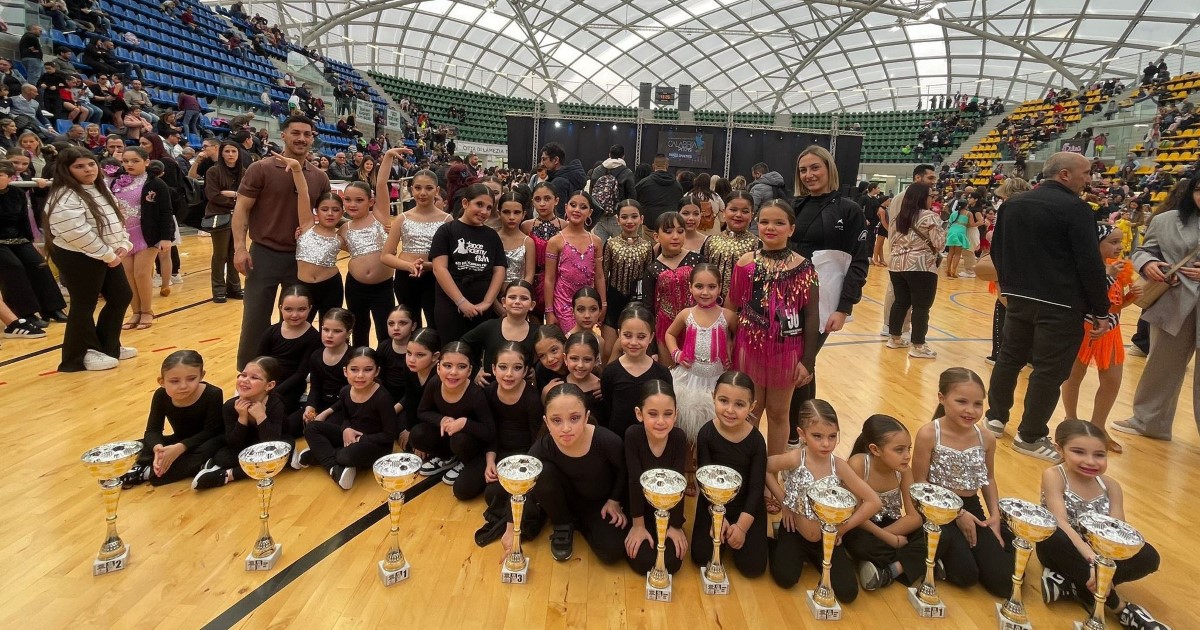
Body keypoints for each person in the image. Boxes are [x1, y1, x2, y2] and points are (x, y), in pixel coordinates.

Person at [986, 153, 1113, 461]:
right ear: (1065, 174)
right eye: (1085, 173)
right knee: (1049, 370)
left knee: (1009, 358)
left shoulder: (1012, 205)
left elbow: (997, 250)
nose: (1089, 179)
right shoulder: (1077, 209)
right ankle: (1030, 436)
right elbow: (1089, 263)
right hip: (1061, 303)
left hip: (1019, 298)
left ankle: (995, 418)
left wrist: (1009, 286)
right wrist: (1101, 308)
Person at [1036, 421, 1168, 629]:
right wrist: (1093, 560)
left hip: (1100, 555)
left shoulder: (1112, 486)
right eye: (1079, 452)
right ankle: (1121, 609)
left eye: (1099, 455)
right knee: (1052, 534)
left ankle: (1074, 584)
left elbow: (1118, 532)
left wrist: (1103, 566)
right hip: (1065, 548)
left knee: (1149, 556)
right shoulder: (1054, 475)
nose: (1090, 461)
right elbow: (1060, 522)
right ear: (1059, 449)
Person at [233, 115, 331, 370]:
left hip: (302, 259)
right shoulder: (261, 169)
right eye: (295, 133)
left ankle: (291, 373)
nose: (301, 138)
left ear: (312, 139)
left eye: (307, 134)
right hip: (263, 254)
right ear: (283, 135)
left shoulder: (319, 177)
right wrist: (240, 248)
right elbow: (241, 209)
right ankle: (249, 373)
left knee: (297, 321)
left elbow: (327, 217)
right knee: (255, 318)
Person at [788, 146, 869, 442]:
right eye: (803, 170)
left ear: (829, 169)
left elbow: (859, 261)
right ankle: (803, 434)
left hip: (823, 304)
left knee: (802, 364)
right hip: (788, 300)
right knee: (800, 366)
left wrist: (844, 307)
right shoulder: (795, 206)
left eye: (815, 168)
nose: (809, 175)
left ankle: (798, 437)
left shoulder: (849, 209)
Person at [912, 368, 1015, 598]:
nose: (971, 410)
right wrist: (957, 514)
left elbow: (988, 478)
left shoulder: (986, 437)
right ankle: (936, 555)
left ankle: (1007, 533)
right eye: (962, 402)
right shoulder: (929, 434)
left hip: (971, 507)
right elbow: (919, 484)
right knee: (966, 575)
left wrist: (994, 517)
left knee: (1003, 583)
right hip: (937, 509)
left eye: (978, 404)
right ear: (942, 398)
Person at [1114, 173, 1200, 442]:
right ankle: (1149, 421)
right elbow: (1142, 251)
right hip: (1173, 300)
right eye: (1198, 189)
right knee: (1161, 365)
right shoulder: (1166, 220)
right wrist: (1149, 264)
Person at [766, 400, 880, 602]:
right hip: (794, 530)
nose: (826, 444)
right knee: (785, 578)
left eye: (832, 436)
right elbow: (765, 468)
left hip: (828, 537)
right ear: (802, 434)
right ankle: (776, 544)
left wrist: (843, 528)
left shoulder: (839, 466)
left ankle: (812, 557)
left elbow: (873, 501)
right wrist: (784, 501)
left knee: (848, 593)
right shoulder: (795, 458)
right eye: (817, 436)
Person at [500, 382, 627, 564]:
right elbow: (519, 480)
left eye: (574, 418)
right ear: (546, 422)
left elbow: (624, 470)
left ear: (586, 417)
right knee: (540, 470)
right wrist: (510, 528)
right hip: (563, 502)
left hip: (598, 504)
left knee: (612, 551)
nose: (566, 428)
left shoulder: (606, 440)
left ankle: (579, 522)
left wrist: (614, 500)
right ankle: (562, 523)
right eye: (557, 420)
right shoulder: (544, 446)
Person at [731, 200, 819, 457]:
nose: (770, 227)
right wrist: (728, 343)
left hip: (786, 351)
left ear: (791, 229)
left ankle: (773, 469)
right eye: (765, 222)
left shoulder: (804, 267)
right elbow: (731, 307)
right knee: (751, 411)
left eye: (779, 223)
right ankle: (750, 463)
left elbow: (811, 315)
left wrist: (808, 360)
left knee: (779, 413)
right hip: (749, 347)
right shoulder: (745, 263)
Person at [45, 145, 134, 372]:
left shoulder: (99, 188)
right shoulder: (64, 196)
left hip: (106, 253)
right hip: (77, 255)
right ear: (66, 170)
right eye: (79, 166)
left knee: (121, 295)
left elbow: (115, 220)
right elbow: (76, 232)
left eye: (91, 164)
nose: (88, 169)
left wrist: (123, 243)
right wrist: (107, 254)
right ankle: (81, 354)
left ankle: (109, 346)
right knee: (84, 304)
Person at [1060, 225, 1140, 453]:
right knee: (1074, 376)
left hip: (1111, 333)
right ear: (1095, 244)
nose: (1119, 247)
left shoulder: (1121, 268)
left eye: (1120, 242)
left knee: (1112, 380)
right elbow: (1084, 299)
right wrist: (1107, 276)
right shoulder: (1082, 267)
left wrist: (1131, 297)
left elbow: (1115, 305)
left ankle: (1098, 427)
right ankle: (1070, 420)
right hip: (1084, 330)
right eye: (1112, 242)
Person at [690, 370, 768, 578]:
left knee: (752, 568)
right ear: (713, 397)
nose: (730, 410)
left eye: (739, 404)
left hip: (747, 507)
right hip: (712, 504)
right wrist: (717, 517)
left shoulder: (756, 441)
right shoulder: (706, 433)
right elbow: (703, 480)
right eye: (723, 401)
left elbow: (756, 488)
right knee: (701, 557)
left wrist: (741, 527)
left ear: (752, 406)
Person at [844, 415, 928, 591]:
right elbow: (854, 514)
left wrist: (887, 536)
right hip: (861, 526)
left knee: (939, 534)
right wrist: (889, 539)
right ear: (875, 449)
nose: (907, 456)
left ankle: (891, 570)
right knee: (860, 544)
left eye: (908, 449)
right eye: (899, 450)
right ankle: (922, 561)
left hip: (890, 526)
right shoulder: (858, 464)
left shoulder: (904, 471)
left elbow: (914, 517)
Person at [294, 347, 397, 490]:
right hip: (350, 437)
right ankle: (333, 468)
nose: (360, 375)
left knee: (346, 456)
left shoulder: (382, 397)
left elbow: (389, 434)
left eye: (368, 370)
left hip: (374, 445)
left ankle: (319, 455)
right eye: (354, 370)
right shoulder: (345, 392)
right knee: (311, 428)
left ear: (377, 371)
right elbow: (347, 418)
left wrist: (361, 439)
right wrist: (346, 429)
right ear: (345, 371)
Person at [473, 342, 544, 546]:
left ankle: (516, 520)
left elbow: (536, 440)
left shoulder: (531, 398)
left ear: (526, 371)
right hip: (499, 453)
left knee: (497, 493)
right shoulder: (489, 393)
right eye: (503, 367)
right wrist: (490, 461)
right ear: (493, 369)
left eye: (517, 368)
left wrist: (525, 471)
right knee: (479, 492)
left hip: (524, 455)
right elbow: (490, 432)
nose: (509, 374)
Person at [120, 351, 224, 487]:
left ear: (201, 375)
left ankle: (147, 472)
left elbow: (211, 432)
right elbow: (152, 431)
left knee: (208, 451)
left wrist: (180, 448)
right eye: (175, 381)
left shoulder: (213, 393)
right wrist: (158, 449)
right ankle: (186, 466)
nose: (183, 386)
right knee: (134, 447)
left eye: (191, 379)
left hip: (205, 442)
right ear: (161, 382)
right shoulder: (161, 395)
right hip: (179, 440)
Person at [663, 263, 736, 442]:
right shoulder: (686, 314)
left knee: (713, 429)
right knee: (687, 429)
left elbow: (738, 338)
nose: (705, 292)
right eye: (699, 286)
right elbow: (669, 334)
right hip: (689, 378)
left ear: (720, 287)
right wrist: (676, 354)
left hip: (717, 379)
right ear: (690, 287)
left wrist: (730, 349)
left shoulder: (727, 315)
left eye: (711, 287)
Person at [192, 357, 289, 489]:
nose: (245, 380)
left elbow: (272, 443)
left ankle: (227, 475)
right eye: (243, 375)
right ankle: (217, 466)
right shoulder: (230, 406)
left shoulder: (275, 404)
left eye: (254, 378)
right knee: (222, 456)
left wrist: (261, 417)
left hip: (268, 448)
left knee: (281, 453)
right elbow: (234, 443)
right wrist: (242, 418)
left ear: (269, 385)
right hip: (243, 447)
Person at [623, 380, 689, 576]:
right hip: (640, 510)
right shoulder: (633, 435)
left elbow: (679, 484)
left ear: (676, 414)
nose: (661, 421)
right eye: (652, 414)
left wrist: (675, 526)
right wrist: (638, 525)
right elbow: (634, 482)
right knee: (643, 562)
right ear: (639, 414)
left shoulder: (678, 437)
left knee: (671, 563)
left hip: (667, 510)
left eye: (667, 414)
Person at [429, 183, 506, 342]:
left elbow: (499, 270)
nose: (484, 211)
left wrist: (487, 303)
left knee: (478, 352)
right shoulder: (446, 231)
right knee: (451, 350)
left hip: (482, 309)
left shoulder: (492, 236)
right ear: (465, 203)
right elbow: (439, 269)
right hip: (450, 306)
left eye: (489, 208)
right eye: (479, 204)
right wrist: (461, 302)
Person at [381, 157, 449, 327]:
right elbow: (386, 256)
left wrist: (428, 266)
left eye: (429, 188)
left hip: (436, 278)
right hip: (406, 278)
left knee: (436, 324)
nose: (422, 193)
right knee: (410, 325)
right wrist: (409, 266)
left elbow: (451, 258)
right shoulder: (402, 218)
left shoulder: (447, 220)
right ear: (411, 190)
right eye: (418, 188)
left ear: (437, 190)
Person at [110, 147, 172, 331]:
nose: (129, 164)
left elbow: (166, 211)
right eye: (126, 161)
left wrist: (166, 237)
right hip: (123, 235)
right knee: (128, 275)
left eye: (135, 161)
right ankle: (135, 311)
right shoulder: (116, 182)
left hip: (147, 234)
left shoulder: (156, 183)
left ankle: (147, 311)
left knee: (141, 273)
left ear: (146, 162)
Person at [884, 183, 946, 359]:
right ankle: (918, 345)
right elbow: (939, 244)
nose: (932, 199)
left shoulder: (899, 217)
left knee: (900, 302)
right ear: (922, 198)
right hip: (921, 266)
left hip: (897, 264)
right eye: (930, 196)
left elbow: (892, 240)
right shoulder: (930, 216)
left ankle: (894, 338)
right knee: (921, 306)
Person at [0, 160, 63, 327]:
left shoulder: (17, 193)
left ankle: (52, 309)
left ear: (10, 178)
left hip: (19, 238)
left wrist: (30, 240)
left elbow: (24, 220)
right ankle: (25, 313)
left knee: (38, 264)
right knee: (14, 267)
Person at [600, 304, 672, 440]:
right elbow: (608, 408)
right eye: (627, 335)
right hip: (618, 441)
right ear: (619, 334)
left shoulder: (662, 373)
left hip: (651, 440)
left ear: (651, 337)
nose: (633, 342)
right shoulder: (610, 372)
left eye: (641, 336)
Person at [644, 212, 702, 364]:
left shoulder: (697, 260)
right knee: (670, 373)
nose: (675, 236)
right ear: (656, 237)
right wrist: (652, 348)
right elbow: (648, 309)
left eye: (680, 231)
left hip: (695, 325)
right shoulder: (652, 269)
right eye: (668, 232)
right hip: (665, 329)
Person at [544, 191, 604, 333]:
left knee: (587, 341)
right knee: (572, 342)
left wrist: (604, 304)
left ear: (590, 212)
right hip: (563, 304)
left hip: (588, 305)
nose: (577, 210)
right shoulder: (556, 241)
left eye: (583, 207)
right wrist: (549, 311)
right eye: (573, 205)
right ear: (566, 208)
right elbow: (549, 279)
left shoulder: (595, 241)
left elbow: (599, 276)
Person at [601, 199, 654, 358]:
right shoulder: (610, 244)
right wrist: (603, 303)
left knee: (635, 349)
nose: (629, 221)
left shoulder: (647, 246)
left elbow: (648, 279)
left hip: (637, 301)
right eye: (624, 217)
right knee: (608, 352)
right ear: (617, 220)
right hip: (613, 301)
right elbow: (603, 275)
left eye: (634, 216)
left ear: (641, 219)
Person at [257, 286, 321, 414]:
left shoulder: (314, 337)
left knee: (272, 411)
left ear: (310, 308)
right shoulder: (271, 332)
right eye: (288, 309)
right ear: (280, 308)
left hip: (290, 387)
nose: (294, 315)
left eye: (301, 309)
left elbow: (301, 374)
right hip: (266, 383)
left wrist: (272, 392)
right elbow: (259, 362)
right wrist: (260, 386)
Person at [461, 280, 537, 387]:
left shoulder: (537, 332)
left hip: (522, 391)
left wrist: (536, 369)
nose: (517, 301)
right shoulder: (489, 326)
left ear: (532, 305)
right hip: (488, 389)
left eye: (524, 298)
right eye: (512, 297)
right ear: (503, 302)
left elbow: (546, 355)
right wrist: (474, 371)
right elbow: (462, 344)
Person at [291, 308, 353, 438]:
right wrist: (310, 406)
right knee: (289, 425)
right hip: (322, 403)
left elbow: (351, 394)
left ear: (348, 333)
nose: (329, 335)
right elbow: (315, 388)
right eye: (326, 330)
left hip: (343, 407)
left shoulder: (353, 358)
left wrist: (325, 413)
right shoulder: (316, 356)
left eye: (337, 331)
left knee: (320, 431)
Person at [202, 142, 245, 302]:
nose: (231, 154)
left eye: (234, 151)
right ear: (221, 153)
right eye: (227, 151)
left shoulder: (244, 172)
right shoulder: (213, 171)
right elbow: (213, 195)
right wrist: (237, 200)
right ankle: (218, 290)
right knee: (220, 254)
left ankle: (234, 287)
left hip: (239, 217)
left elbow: (247, 194)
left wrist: (233, 194)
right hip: (220, 216)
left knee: (235, 252)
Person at [700, 192, 758, 303]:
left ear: (752, 215)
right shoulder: (710, 241)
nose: (738, 215)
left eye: (745, 211)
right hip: (709, 303)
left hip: (743, 305)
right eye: (733, 210)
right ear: (724, 212)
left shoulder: (757, 244)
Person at [522, 183, 565, 319]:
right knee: (534, 323)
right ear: (532, 201)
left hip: (559, 283)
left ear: (556, 200)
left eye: (547, 199)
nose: (542, 204)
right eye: (537, 199)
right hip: (533, 281)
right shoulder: (526, 226)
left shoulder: (565, 226)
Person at [587, 144, 637, 242]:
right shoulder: (627, 172)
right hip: (618, 216)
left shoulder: (597, 170)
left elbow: (591, 193)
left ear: (609, 155)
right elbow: (632, 197)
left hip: (599, 215)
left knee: (599, 248)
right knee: (620, 247)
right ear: (623, 156)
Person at [635, 154, 683, 227]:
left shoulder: (643, 183)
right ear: (667, 166)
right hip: (669, 224)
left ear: (653, 166)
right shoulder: (677, 185)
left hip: (649, 224)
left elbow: (635, 202)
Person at [539, 142, 586, 216]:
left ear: (556, 160)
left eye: (544, 159)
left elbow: (558, 214)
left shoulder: (559, 182)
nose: (541, 163)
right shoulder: (570, 177)